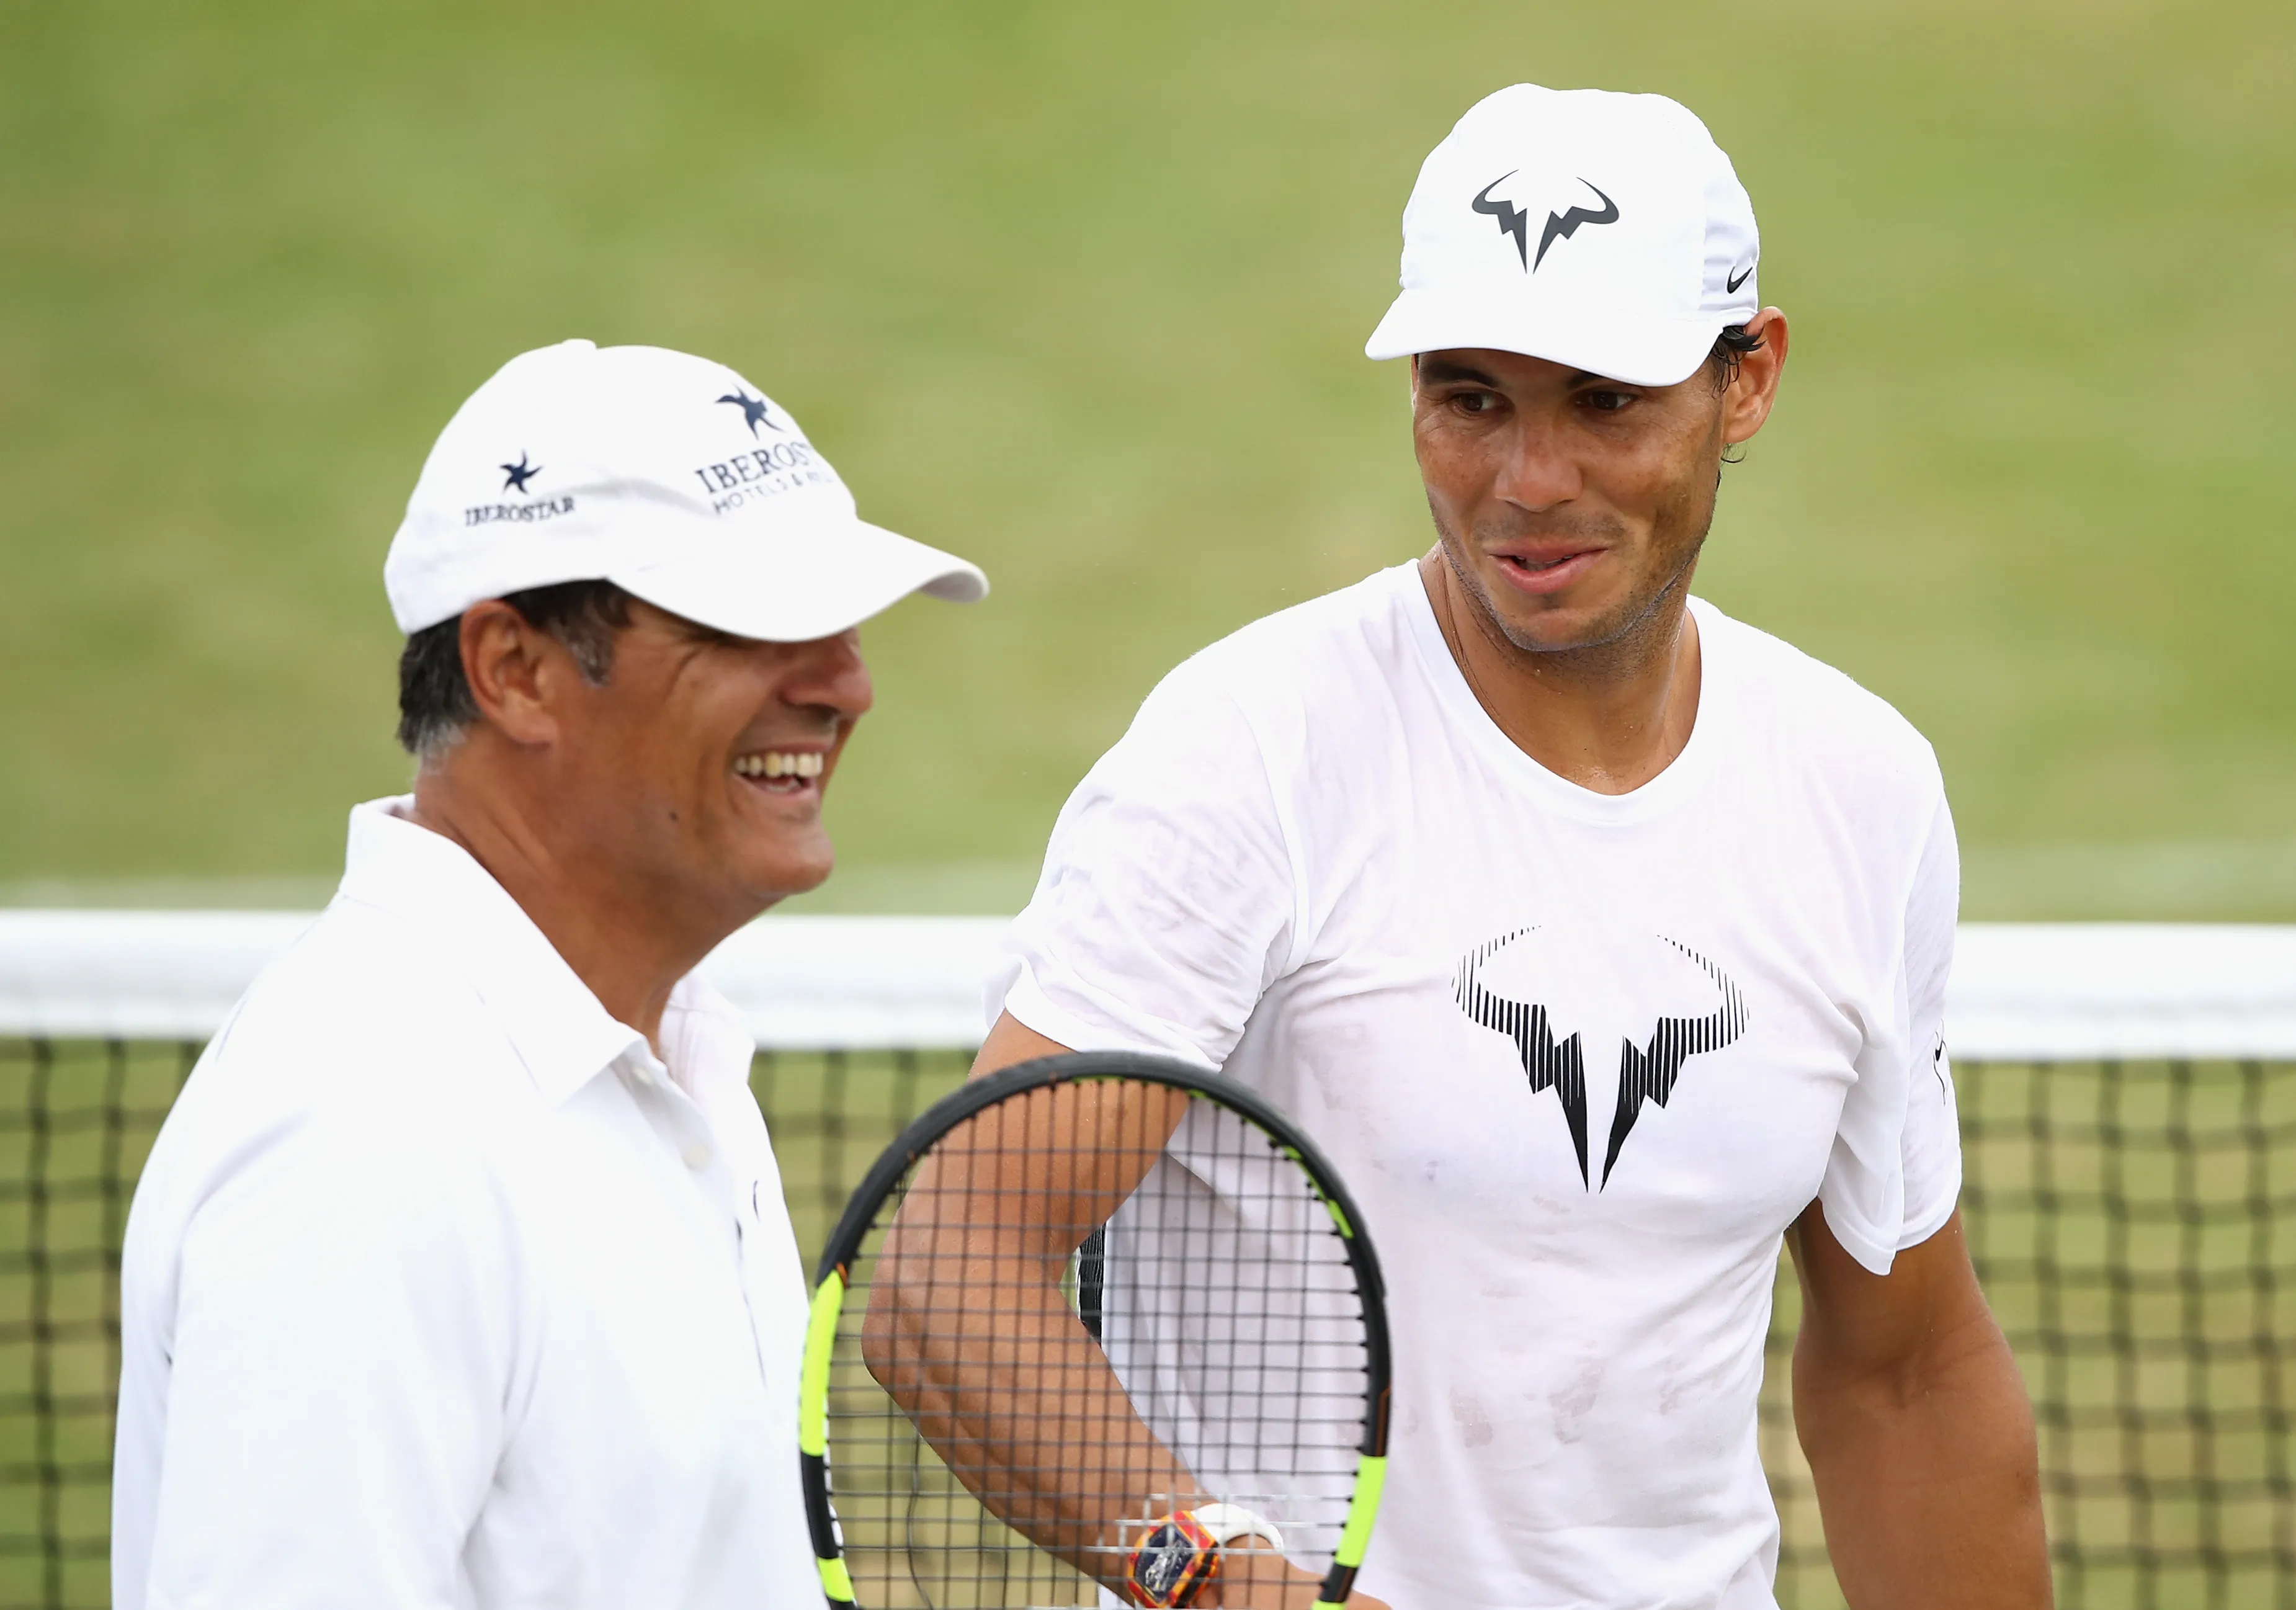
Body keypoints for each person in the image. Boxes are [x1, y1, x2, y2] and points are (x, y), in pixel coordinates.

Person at [959, 86, 2050, 1608]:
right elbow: (956, 1271)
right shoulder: (1246, 751)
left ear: (1745, 381)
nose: (1529, 480)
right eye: (1470, 399)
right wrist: (1219, 1582)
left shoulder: (1859, 786)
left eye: (1603, 401)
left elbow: (1903, 1373)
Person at [112, 339, 986, 1608]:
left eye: (840, 622)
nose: (844, 684)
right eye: (752, 624)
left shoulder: (670, 1057)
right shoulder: (370, 1136)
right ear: (515, 671)